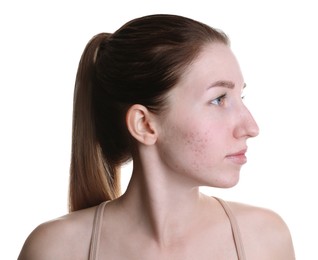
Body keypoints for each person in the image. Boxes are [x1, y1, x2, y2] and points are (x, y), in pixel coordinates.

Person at [18, 14, 295, 259]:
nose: (251, 127)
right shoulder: (54, 250)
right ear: (144, 125)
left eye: (240, 96)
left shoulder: (265, 241)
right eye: (219, 99)